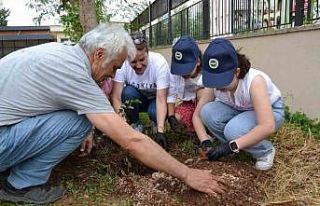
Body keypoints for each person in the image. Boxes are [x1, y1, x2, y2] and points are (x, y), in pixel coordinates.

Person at [0, 24, 226, 204]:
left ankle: (14, 164)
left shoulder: (62, 54)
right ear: (99, 54)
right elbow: (131, 140)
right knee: (80, 122)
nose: (113, 74)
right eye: (115, 67)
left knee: (84, 122)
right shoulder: (74, 73)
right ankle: (21, 185)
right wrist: (187, 174)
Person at [198, 38, 285, 170]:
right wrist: (204, 140)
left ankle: (264, 151)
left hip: (270, 112)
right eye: (213, 79)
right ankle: (241, 143)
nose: (217, 85)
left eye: (221, 80)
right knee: (207, 112)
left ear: (237, 72)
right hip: (239, 108)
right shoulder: (215, 84)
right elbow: (199, 114)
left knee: (233, 130)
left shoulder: (254, 82)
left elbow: (267, 125)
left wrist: (231, 147)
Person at [111, 32, 170, 149]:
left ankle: (156, 123)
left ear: (148, 53)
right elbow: (116, 97)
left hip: (155, 99)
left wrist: (161, 131)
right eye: (133, 61)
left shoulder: (159, 63)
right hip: (137, 98)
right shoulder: (122, 65)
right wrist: (122, 125)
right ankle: (135, 124)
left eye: (142, 59)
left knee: (154, 113)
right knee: (127, 92)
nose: (138, 66)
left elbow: (161, 99)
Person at [167, 36, 212, 144]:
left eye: (186, 69)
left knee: (201, 91)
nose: (183, 73)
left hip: (205, 103)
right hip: (189, 103)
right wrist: (171, 116)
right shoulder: (174, 74)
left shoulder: (206, 73)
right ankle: (193, 132)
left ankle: (207, 131)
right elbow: (171, 95)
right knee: (177, 118)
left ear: (198, 62)